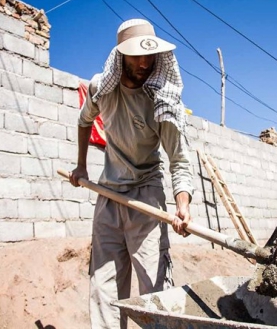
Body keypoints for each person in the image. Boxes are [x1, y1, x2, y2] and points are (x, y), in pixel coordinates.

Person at [68, 18, 194, 329]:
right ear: (121, 56)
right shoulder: (101, 88)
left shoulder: (161, 101)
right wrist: (81, 165)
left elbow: (179, 160)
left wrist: (183, 205)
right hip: (109, 197)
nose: (144, 63)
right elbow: (84, 121)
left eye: (149, 55)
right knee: (103, 288)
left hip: (146, 199)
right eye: (136, 55)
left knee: (154, 290)